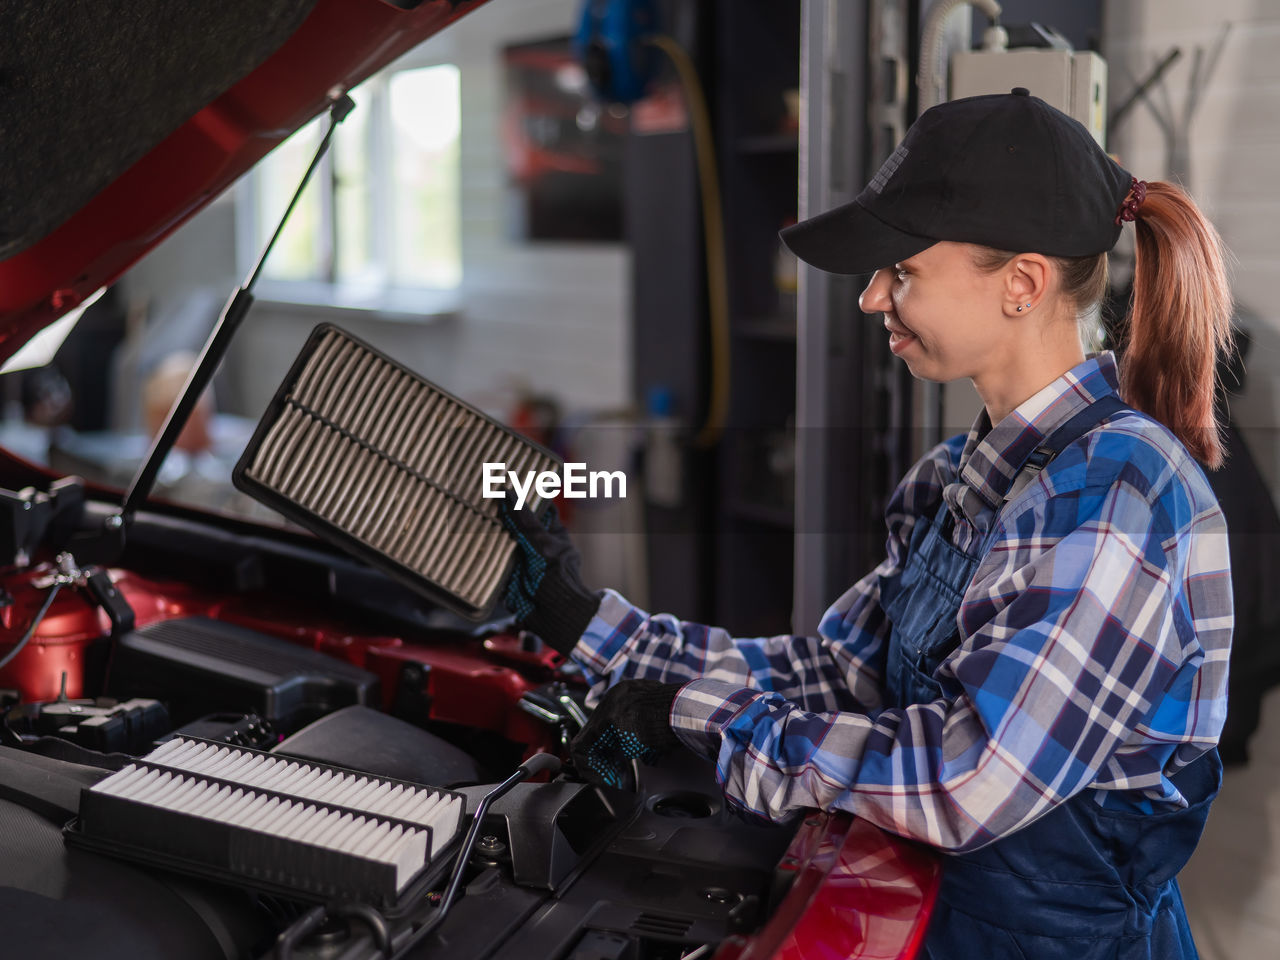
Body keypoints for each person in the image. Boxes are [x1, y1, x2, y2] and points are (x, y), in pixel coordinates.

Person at [499, 88, 1233, 959]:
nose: (871, 296)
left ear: (1023, 284)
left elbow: (969, 776)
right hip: (943, 924)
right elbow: (841, 674)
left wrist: (700, 719)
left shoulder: (1121, 498)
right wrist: (594, 627)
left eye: (904, 270)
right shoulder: (955, 481)